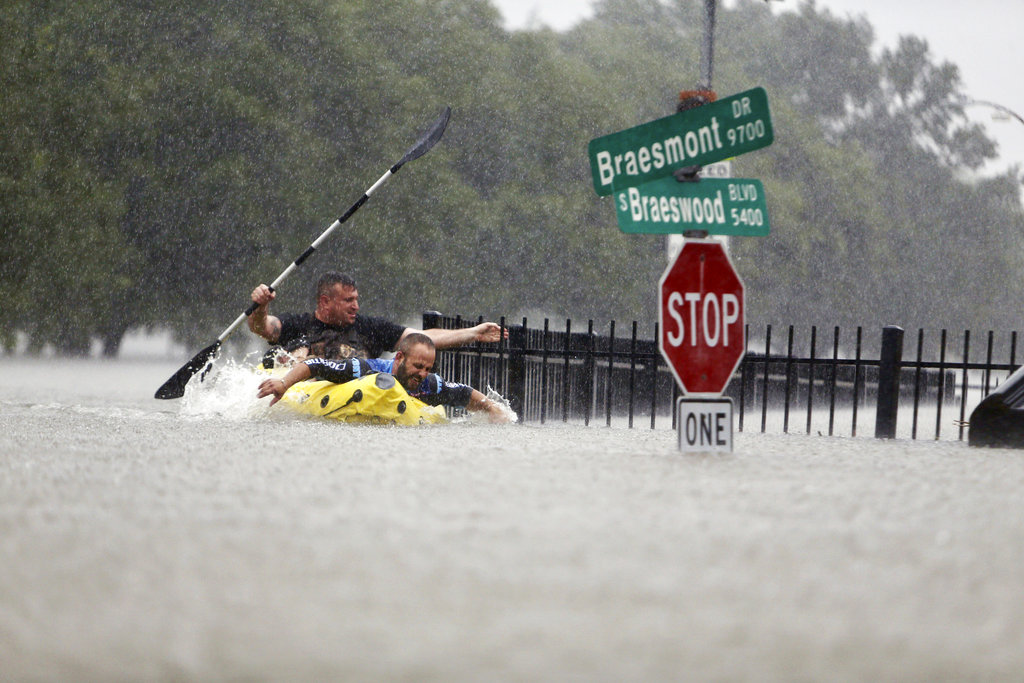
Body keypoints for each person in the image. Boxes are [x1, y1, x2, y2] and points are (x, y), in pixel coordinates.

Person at [248, 271, 505, 362]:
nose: (356, 306)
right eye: (348, 301)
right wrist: (260, 306)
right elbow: (263, 327)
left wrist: (473, 333)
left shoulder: (370, 328)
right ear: (325, 302)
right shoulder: (298, 324)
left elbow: (421, 338)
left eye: (356, 299)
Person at [256, 333, 510, 423]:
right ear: (399, 358)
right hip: (323, 392)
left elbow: (463, 392)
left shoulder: (427, 383)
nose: (422, 373)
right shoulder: (365, 368)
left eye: (428, 368)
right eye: (418, 366)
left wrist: (492, 408)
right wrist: (284, 383)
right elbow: (316, 364)